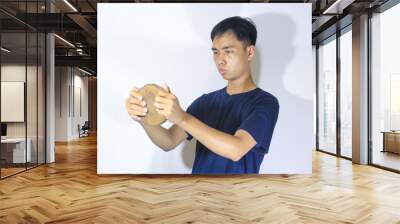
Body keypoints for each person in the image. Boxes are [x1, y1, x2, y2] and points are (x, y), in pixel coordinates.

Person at [125, 16, 279, 174]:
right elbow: (168, 141)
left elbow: (236, 150)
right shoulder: (205, 102)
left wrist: (182, 117)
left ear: (250, 52)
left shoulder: (265, 102)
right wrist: (143, 119)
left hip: (238, 196)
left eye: (228, 51)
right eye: (216, 52)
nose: (220, 60)